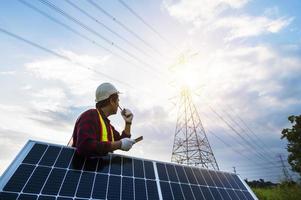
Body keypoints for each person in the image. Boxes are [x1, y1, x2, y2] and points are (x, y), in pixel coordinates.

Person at [71, 82, 136, 157]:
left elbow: (124, 142)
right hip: (84, 167)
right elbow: (84, 145)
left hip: (96, 167)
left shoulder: (108, 126)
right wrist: (119, 144)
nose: (118, 104)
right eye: (118, 100)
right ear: (112, 101)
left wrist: (128, 123)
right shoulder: (89, 115)